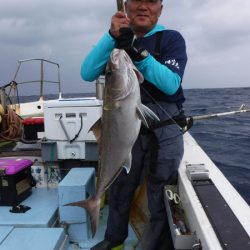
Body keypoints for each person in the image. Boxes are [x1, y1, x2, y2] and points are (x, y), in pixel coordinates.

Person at [81, 0, 187, 249]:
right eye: (137, 1)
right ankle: (112, 238)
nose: (143, 7)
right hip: (124, 125)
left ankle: (154, 244)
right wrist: (112, 36)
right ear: (126, 7)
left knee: (159, 192)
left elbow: (171, 84)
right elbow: (87, 73)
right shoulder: (115, 41)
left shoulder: (170, 39)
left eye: (151, 2)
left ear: (161, 9)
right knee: (120, 188)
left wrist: (138, 52)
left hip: (164, 129)